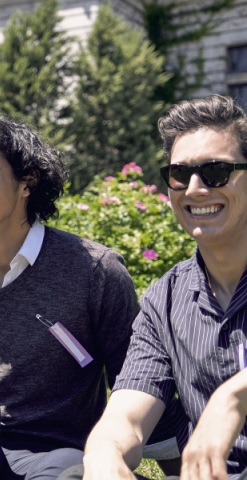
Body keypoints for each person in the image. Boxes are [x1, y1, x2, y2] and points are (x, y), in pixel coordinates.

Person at [0, 115, 178, 480]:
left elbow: (137, 383)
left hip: (57, 458)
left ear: (27, 182)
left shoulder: (94, 271)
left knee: (65, 470)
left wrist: (179, 470)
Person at [57, 94, 247, 480]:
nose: (195, 189)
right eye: (180, 174)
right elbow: (127, 414)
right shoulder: (165, 299)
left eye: (215, 171)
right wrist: (104, 454)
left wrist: (233, 396)